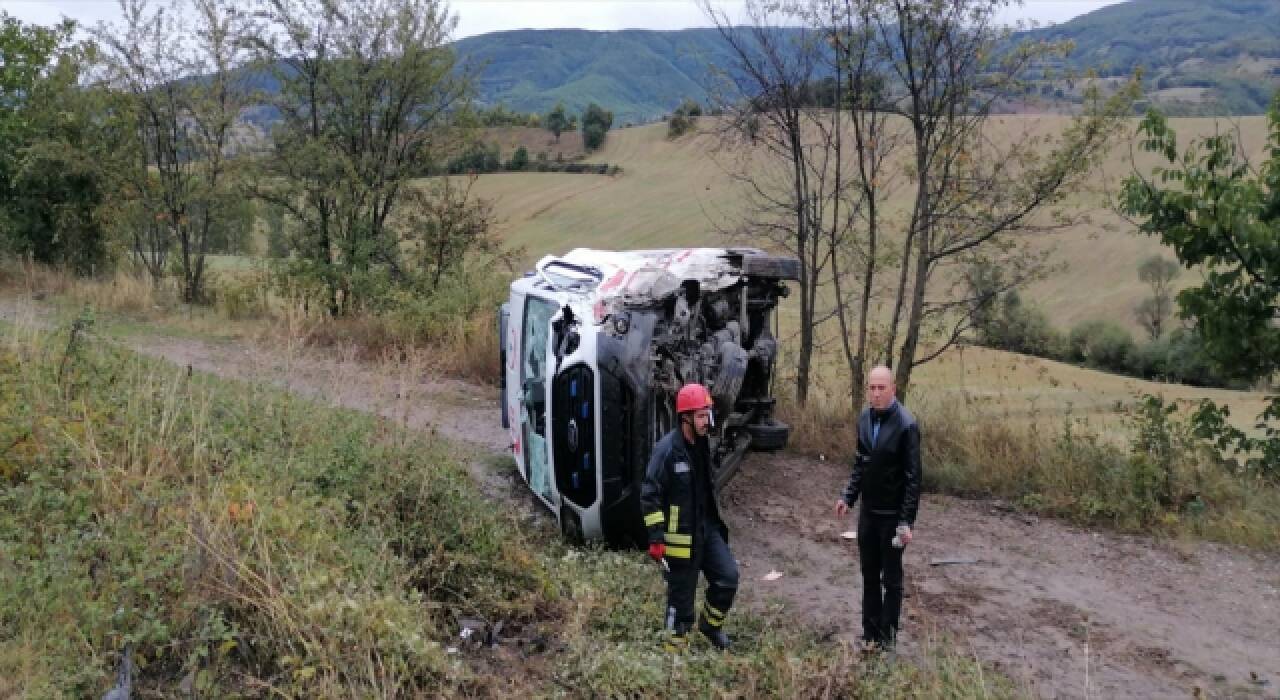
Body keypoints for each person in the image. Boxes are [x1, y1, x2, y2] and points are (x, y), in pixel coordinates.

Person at [641, 382, 738, 651]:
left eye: (708, 414)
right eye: (701, 415)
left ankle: (711, 626)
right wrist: (656, 538)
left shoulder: (704, 444)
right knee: (681, 603)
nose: (707, 421)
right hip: (680, 539)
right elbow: (649, 495)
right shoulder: (667, 451)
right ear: (685, 418)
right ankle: (674, 654)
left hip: (708, 531)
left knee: (728, 577)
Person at [834, 365, 922, 651]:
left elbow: (913, 478)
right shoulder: (864, 418)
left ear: (893, 389)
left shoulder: (906, 425)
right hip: (868, 514)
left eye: (881, 388)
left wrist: (906, 522)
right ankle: (870, 635)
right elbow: (861, 461)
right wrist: (848, 496)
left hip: (893, 517)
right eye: (871, 388)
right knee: (869, 575)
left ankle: (887, 640)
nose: (875, 393)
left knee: (892, 580)